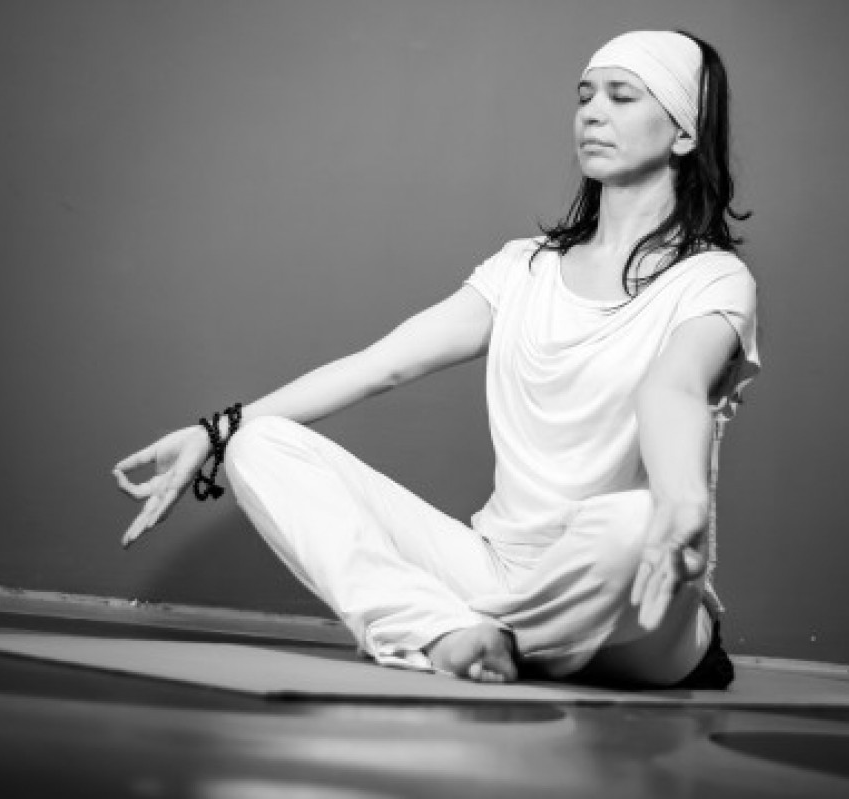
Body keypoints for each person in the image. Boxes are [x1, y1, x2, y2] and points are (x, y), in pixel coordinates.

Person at [113, 29, 759, 688]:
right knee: (259, 443)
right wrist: (214, 433)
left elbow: (673, 387)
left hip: (635, 606)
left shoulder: (711, 279)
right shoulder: (523, 269)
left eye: (621, 97)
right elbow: (380, 364)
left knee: (634, 523)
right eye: (585, 96)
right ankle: (454, 634)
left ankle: (467, 632)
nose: (593, 113)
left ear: (685, 132)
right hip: (495, 573)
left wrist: (682, 501)